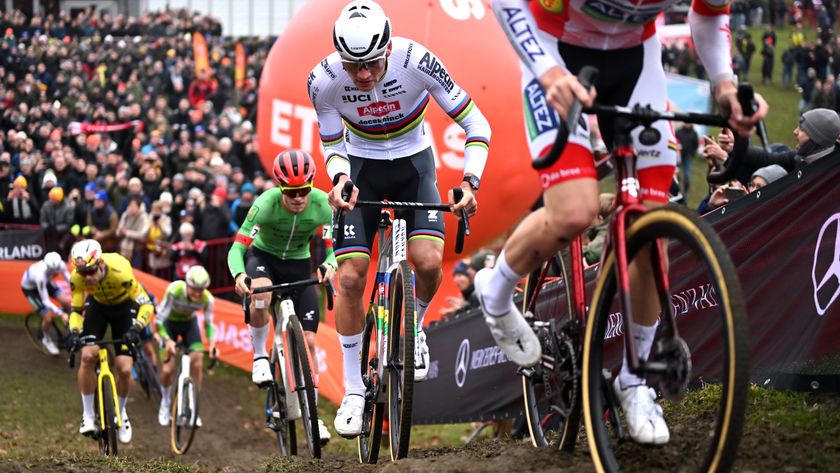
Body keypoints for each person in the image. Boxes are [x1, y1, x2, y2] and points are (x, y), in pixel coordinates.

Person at [487, 0, 767, 446]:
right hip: (554, 49)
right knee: (575, 212)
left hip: (637, 58)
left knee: (652, 228)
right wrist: (545, 70)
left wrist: (725, 84)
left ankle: (634, 379)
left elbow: (711, 13)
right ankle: (496, 293)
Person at [313, 0, 490, 438]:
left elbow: (476, 122)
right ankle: (354, 390)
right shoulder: (323, 80)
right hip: (363, 170)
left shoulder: (417, 62)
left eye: (372, 63)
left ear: (388, 47)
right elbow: (333, 143)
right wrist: (337, 178)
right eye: (353, 66)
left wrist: (471, 182)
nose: (364, 76)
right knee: (351, 279)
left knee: (428, 262)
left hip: (415, 167)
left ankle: (415, 326)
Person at [227, 149, 336, 445]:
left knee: (310, 342)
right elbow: (237, 248)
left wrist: (330, 264)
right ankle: (261, 355)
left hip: (299, 264)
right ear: (280, 187)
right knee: (260, 291)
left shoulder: (323, 204)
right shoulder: (265, 205)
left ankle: (313, 417)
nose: (299, 198)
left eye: (304, 190)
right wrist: (239, 275)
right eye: (291, 192)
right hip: (264, 258)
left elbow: (333, 247)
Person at [67, 239, 154, 444]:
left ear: (102, 264)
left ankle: (121, 413)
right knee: (88, 355)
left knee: (124, 368)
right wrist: (74, 332)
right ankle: (87, 416)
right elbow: (77, 311)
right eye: (83, 273)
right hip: (97, 307)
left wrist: (136, 329)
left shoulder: (121, 270)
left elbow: (147, 305)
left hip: (124, 308)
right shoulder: (77, 277)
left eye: (91, 272)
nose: (87, 278)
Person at [155, 265, 217, 428]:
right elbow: (159, 320)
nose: (197, 293)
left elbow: (209, 324)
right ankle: (166, 402)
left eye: (201, 290)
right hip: (169, 325)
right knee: (167, 369)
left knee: (197, 360)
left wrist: (212, 344)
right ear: (187, 284)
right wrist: (167, 340)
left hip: (189, 325)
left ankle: (193, 405)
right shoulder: (174, 291)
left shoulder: (207, 299)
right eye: (194, 289)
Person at [20, 251, 72, 355]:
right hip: (30, 289)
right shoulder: (40, 274)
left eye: (56, 269)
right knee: (48, 317)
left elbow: (69, 280)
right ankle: (46, 339)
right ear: (47, 265)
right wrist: (60, 313)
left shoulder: (60, 264)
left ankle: (67, 322)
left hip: (46, 282)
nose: (55, 271)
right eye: (52, 270)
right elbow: (45, 300)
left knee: (66, 302)